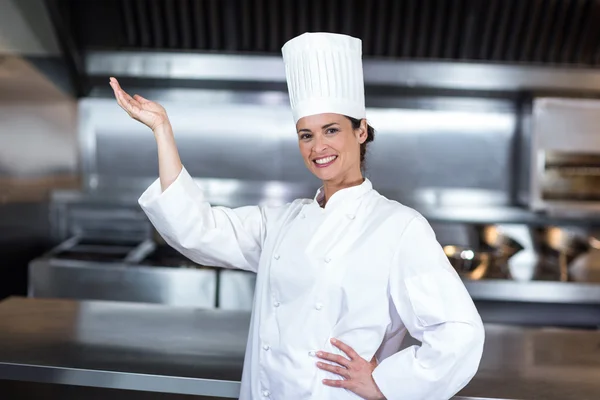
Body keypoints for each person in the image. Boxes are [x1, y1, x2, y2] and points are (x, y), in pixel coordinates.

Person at [109, 32, 485, 400]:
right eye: (306, 135)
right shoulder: (282, 222)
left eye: (332, 130)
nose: (318, 147)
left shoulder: (399, 227)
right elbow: (198, 230)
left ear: (361, 130)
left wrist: (388, 383)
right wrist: (162, 130)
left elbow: (459, 333)